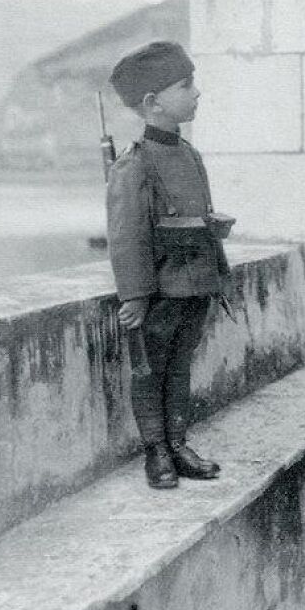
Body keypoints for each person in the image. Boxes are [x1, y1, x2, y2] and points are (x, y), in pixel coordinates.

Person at [107, 41, 230, 489]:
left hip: (195, 285)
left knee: (179, 369)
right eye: (186, 85)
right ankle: (156, 451)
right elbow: (127, 236)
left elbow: (200, 214)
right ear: (152, 102)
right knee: (151, 372)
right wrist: (136, 297)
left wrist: (216, 273)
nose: (196, 93)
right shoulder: (133, 165)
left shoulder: (190, 155)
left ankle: (178, 444)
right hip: (159, 291)